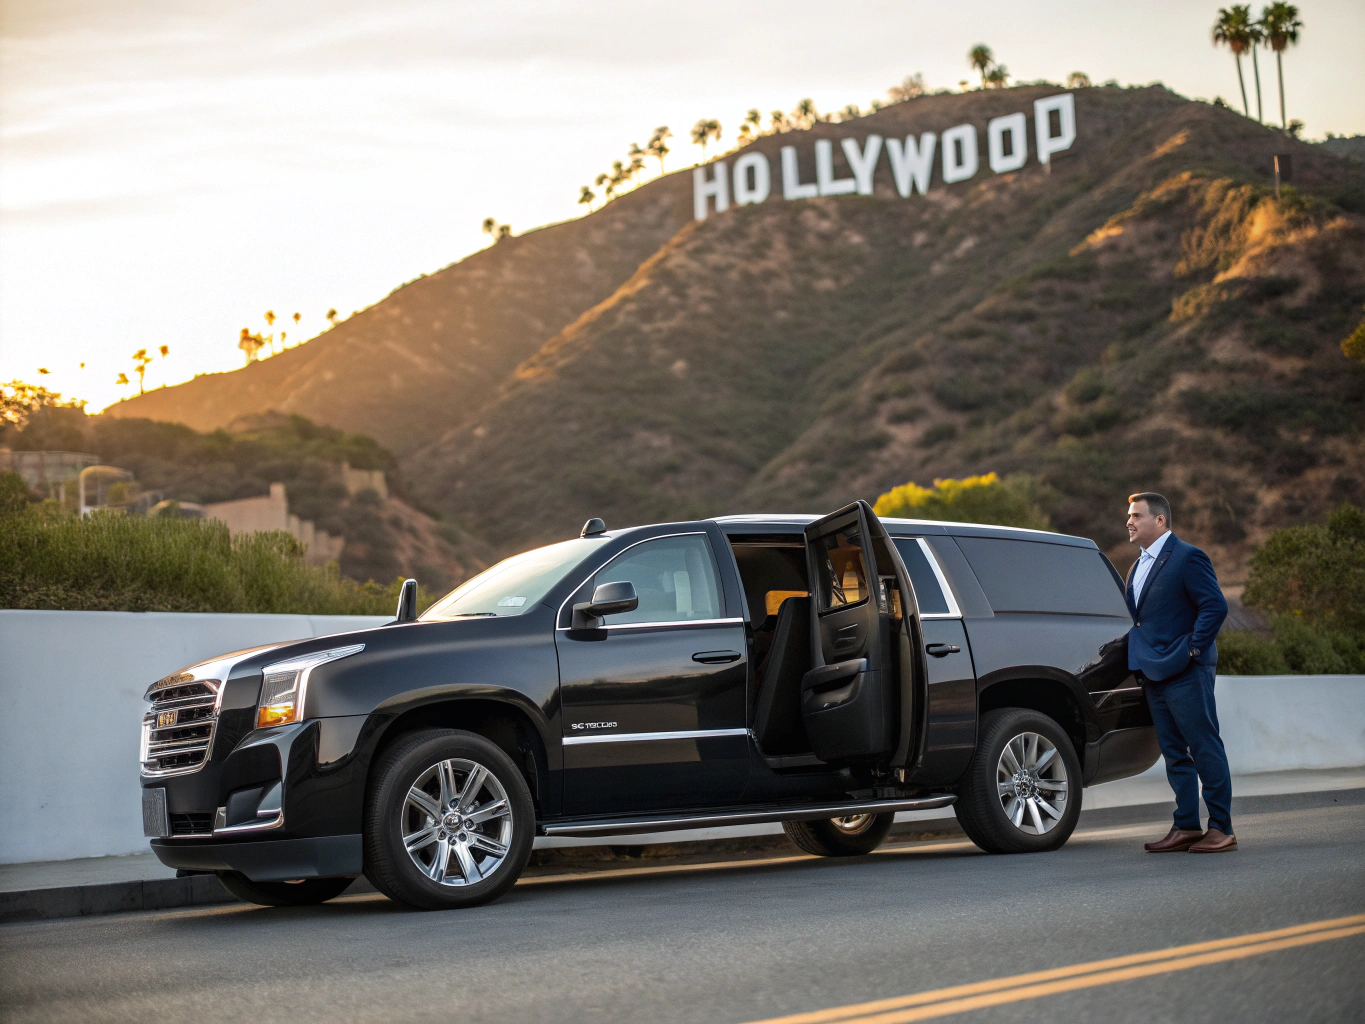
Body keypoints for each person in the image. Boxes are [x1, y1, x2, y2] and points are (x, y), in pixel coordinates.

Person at [1124, 492, 1235, 853]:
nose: (1128, 521)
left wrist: (1193, 649)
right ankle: (1186, 825)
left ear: (1159, 520)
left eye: (1136, 515)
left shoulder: (1188, 557)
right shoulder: (1136, 566)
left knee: (1204, 747)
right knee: (1174, 753)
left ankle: (1222, 828)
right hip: (1153, 673)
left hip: (1186, 669)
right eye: (1129, 515)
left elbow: (1215, 606)